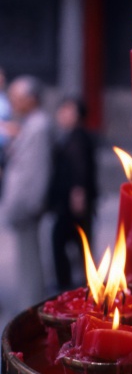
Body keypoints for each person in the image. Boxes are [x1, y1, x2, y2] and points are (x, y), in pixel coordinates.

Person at [0, 76, 53, 316]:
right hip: (22, 206)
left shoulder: (39, 126)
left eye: (17, 99)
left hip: (27, 205)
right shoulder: (31, 124)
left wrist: (31, 204)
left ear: (30, 100)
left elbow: (38, 170)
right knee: (26, 260)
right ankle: (29, 305)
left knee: (30, 262)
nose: (14, 104)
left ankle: (31, 308)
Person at [48, 96, 97, 291]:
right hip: (69, 199)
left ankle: (70, 284)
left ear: (76, 114)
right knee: (77, 240)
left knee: (68, 240)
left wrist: (78, 193)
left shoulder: (78, 137)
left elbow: (80, 167)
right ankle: (81, 283)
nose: (61, 114)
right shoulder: (72, 135)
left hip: (73, 201)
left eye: (66, 110)